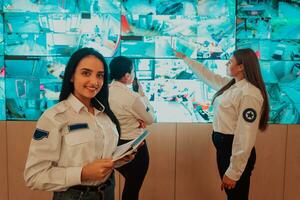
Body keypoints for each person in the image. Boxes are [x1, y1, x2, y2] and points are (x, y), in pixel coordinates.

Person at [24, 47, 133, 200]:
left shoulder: (104, 115)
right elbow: (34, 176)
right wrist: (83, 173)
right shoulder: (54, 117)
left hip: (108, 191)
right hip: (75, 196)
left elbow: (97, 157)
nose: (95, 82)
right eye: (86, 73)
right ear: (71, 76)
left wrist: (117, 159)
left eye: (100, 75)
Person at [175, 48, 269, 200]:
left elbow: (245, 136)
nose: (226, 63)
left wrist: (234, 172)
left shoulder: (249, 93)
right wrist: (186, 59)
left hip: (233, 150)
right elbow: (208, 75)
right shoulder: (231, 85)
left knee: (236, 197)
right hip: (224, 150)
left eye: (230, 62)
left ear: (241, 67)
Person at [108, 56, 155, 200]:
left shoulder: (105, 91)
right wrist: (142, 94)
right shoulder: (132, 97)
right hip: (134, 147)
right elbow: (150, 119)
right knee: (132, 189)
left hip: (112, 145)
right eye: (133, 71)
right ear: (127, 76)